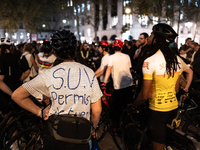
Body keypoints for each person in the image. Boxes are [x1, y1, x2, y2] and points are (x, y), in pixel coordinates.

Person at [12, 29, 102, 150]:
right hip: (81, 136)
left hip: (55, 136)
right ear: (75, 49)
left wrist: (40, 112)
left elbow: (17, 95)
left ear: (55, 51)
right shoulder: (89, 73)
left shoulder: (49, 74)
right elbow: (97, 110)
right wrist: (93, 128)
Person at [132, 23, 193, 150]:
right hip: (173, 108)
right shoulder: (176, 59)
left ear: (157, 38)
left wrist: (133, 105)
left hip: (158, 111)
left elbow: (144, 95)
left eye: (152, 34)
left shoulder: (150, 61)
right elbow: (176, 88)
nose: (149, 37)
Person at [104, 39, 133, 129]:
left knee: (116, 108)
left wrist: (105, 81)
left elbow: (109, 69)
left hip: (118, 85)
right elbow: (130, 69)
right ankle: (127, 125)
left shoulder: (111, 57)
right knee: (127, 106)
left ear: (113, 47)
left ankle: (116, 127)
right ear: (122, 47)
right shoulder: (127, 56)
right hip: (129, 84)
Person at [0, 38, 22, 114]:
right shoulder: (16, 57)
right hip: (17, 88)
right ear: (10, 47)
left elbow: (0, 81)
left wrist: (12, 95)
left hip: (5, 93)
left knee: (7, 116)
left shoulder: (1, 59)